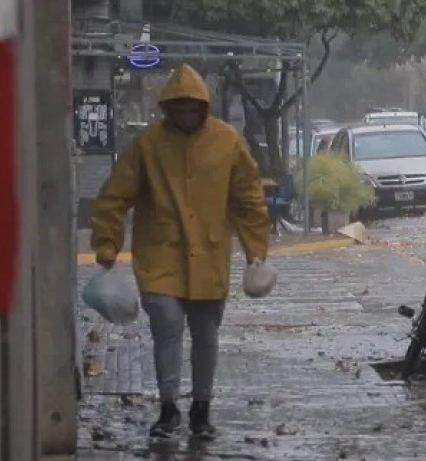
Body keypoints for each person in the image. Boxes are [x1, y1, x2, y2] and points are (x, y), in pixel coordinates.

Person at [90, 64, 270, 439]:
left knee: (206, 333)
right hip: (160, 256)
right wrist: (107, 244)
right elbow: (114, 196)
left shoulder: (226, 142)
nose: (187, 115)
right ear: (169, 108)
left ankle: (201, 407)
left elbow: (248, 198)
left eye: (193, 108)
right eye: (180, 108)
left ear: (203, 107)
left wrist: (257, 250)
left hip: (209, 255)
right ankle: (169, 406)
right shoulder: (148, 145)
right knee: (167, 327)